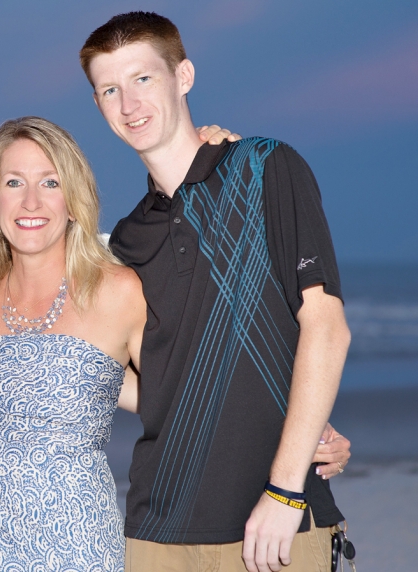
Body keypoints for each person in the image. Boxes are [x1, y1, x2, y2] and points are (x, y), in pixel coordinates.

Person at [80, 12, 352, 572]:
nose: (129, 104)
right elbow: (135, 377)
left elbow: (325, 325)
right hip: (156, 530)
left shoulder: (266, 168)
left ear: (184, 77)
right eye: (110, 89)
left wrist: (285, 488)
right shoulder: (127, 241)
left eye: (143, 79)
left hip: (277, 520)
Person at [0, 116, 146, 570]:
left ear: (74, 201)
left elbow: (184, 399)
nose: (30, 201)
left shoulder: (118, 290)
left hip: (78, 546)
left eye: (50, 182)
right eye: (13, 182)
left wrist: (296, 439)